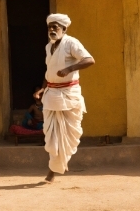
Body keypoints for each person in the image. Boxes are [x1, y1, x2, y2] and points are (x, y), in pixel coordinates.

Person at [33, 13, 95, 183]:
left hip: (68, 94)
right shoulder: (49, 47)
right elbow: (49, 71)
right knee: (52, 135)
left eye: (56, 27)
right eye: (50, 27)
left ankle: (53, 171)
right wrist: (42, 89)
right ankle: (55, 168)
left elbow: (90, 60)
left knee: (67, 135)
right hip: (51, 94)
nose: (52, 30)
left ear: (64, 29)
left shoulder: (71, 43)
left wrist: (69, 69)